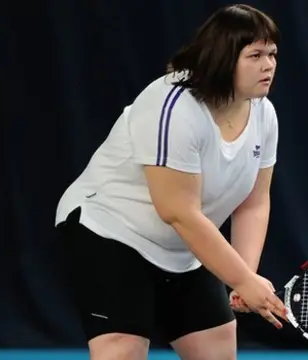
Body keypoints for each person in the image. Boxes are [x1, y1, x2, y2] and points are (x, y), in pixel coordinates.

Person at [54, 4, 284, 360]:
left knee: (218, 351)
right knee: (122, 350)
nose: (268, 65)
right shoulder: (172, 106)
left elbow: (254, 202)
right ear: (223, 57)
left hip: (185, 248)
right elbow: (177, 210)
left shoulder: (264, 114)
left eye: (272, 53)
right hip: (110, 231)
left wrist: (245, 275)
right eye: (255, 54)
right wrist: (241, 280)